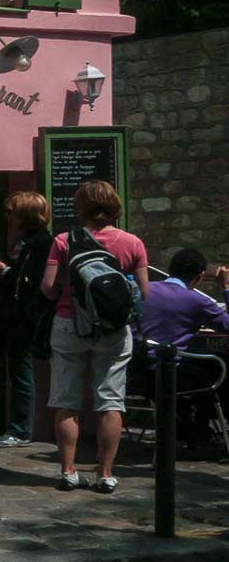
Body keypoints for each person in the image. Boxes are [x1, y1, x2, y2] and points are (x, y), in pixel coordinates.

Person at [39, 179, 148, 493]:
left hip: (69, 324)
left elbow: (47, 288)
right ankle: (105, 473)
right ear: (115, 206)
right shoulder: (132, 243)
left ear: (80, 208)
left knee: (66, 400)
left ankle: (69, 471)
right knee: (110, 401)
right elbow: (143, 292)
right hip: (112, 329)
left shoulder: (63, 240)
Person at [0, 191, 54, 447]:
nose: (8, 217)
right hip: (3, 315)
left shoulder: (40, 243)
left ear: (24, 215)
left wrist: (5, 272)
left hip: (22, 318)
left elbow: (31, 284)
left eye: (12, 212)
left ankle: (20, 429)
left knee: (20, 372)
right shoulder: (24, 241)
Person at [133, 247, 229, 449]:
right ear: (200, 276)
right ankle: (203, 432)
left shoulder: (142, 290)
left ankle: (189, 426)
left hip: (136, 373)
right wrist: (226, 287)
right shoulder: (196, 301)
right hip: (171, 375)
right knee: (222, 367)